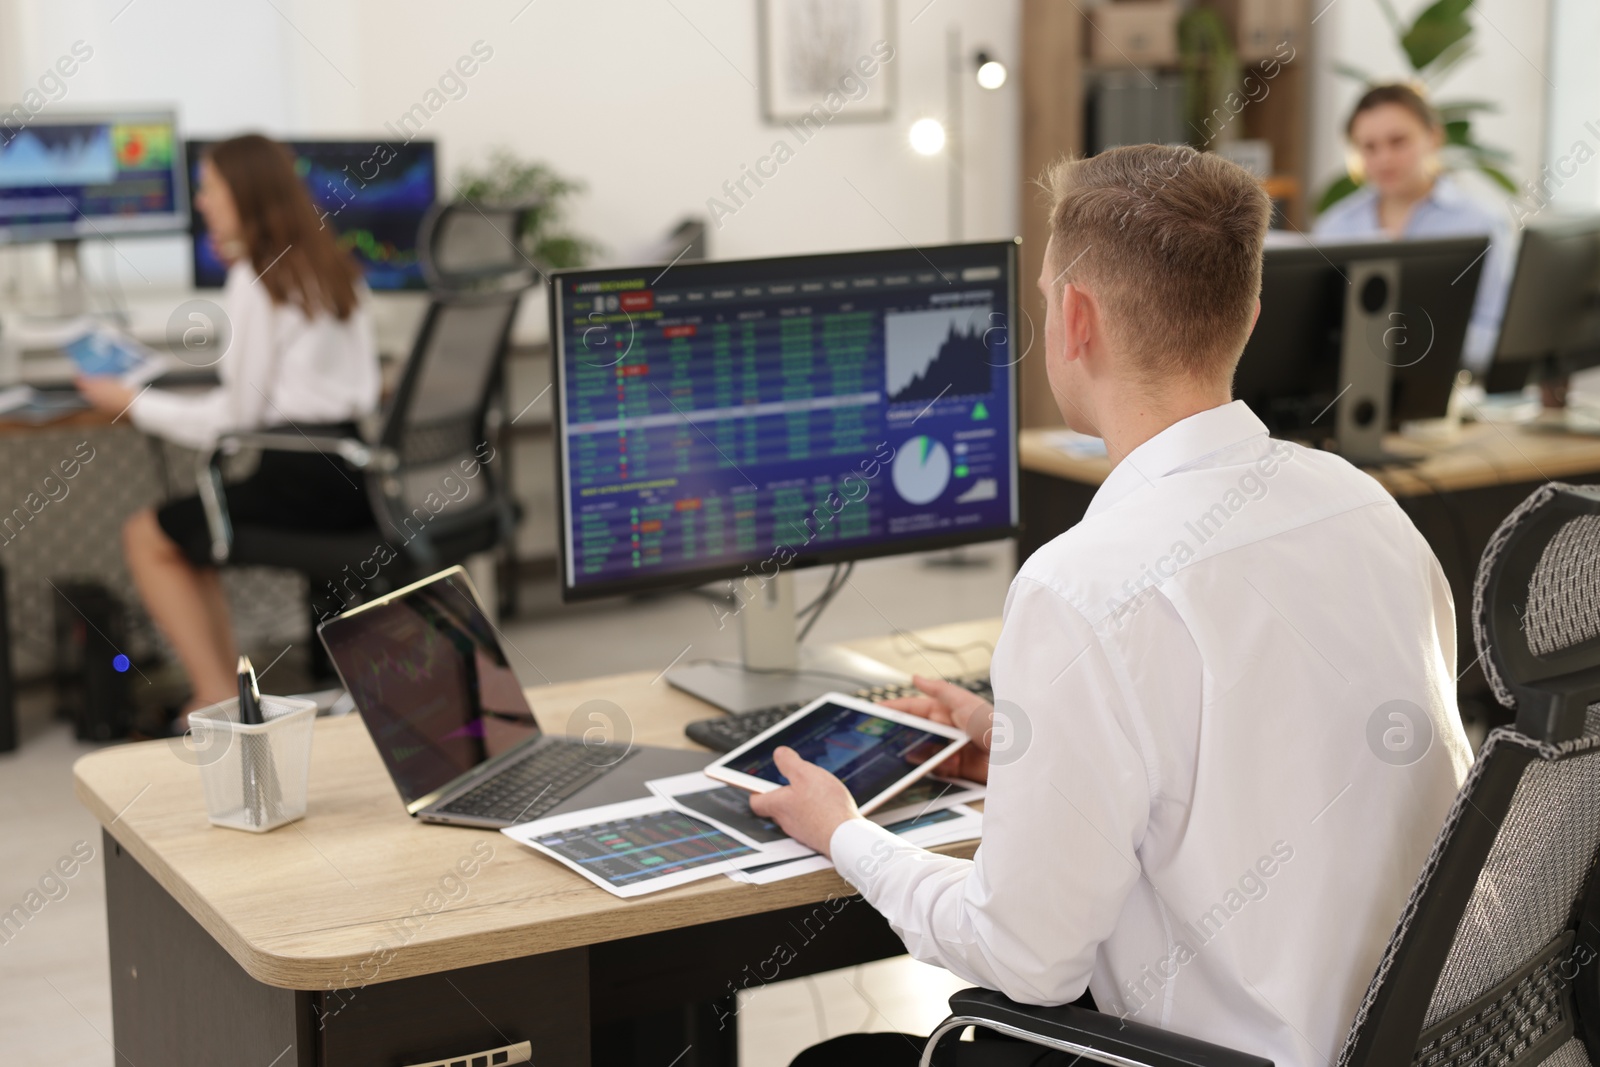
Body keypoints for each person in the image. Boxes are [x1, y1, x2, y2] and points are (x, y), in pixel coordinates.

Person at [751, 144, 1472, 1066]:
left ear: (1077, 320)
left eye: (1049, 297)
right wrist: (1025, 739)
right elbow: (1270, 763)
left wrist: (844, 832)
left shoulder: (1083, 584)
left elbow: (1026, 960)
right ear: (1247, 315)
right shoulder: (1364, 506)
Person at [76, 134, 380, 723]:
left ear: (244, 193)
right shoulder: (334, 267)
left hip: (296, 478)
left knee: (148, 535)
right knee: (188, 541)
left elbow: (239, 418)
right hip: (353, 479)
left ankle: (212, 698)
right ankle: (221, 693)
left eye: (209, 186)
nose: (202, 199)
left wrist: (134, 402)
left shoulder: (255, 278)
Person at [1314, 82, 1511, 372]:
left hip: (1451, 390)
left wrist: (1415, 345)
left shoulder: (1481, 223)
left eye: (1398, 141)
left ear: (1433, 138)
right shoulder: (1335, 226)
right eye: (1369, 147)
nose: (1384, 159)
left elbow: (1495, 332)